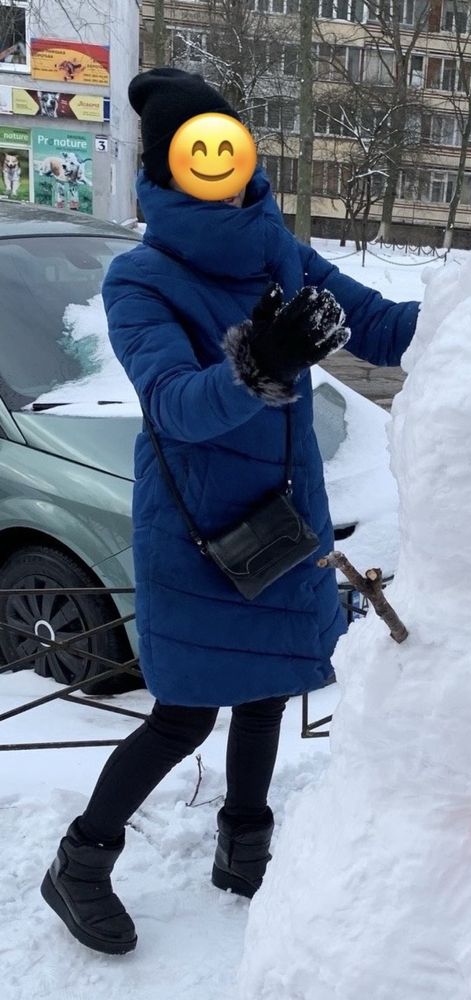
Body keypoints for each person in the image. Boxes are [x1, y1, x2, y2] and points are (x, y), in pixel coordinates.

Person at [40, 68, 421, 956]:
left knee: (264, 695)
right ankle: (79, 861)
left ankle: (244, 848)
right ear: (169, 170)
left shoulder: (275, 251)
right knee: (184, 713)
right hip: (198, 531)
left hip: (286, 516)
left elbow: (379, 327)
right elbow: (176, 404)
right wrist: (264, 361)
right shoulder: (141, 280)